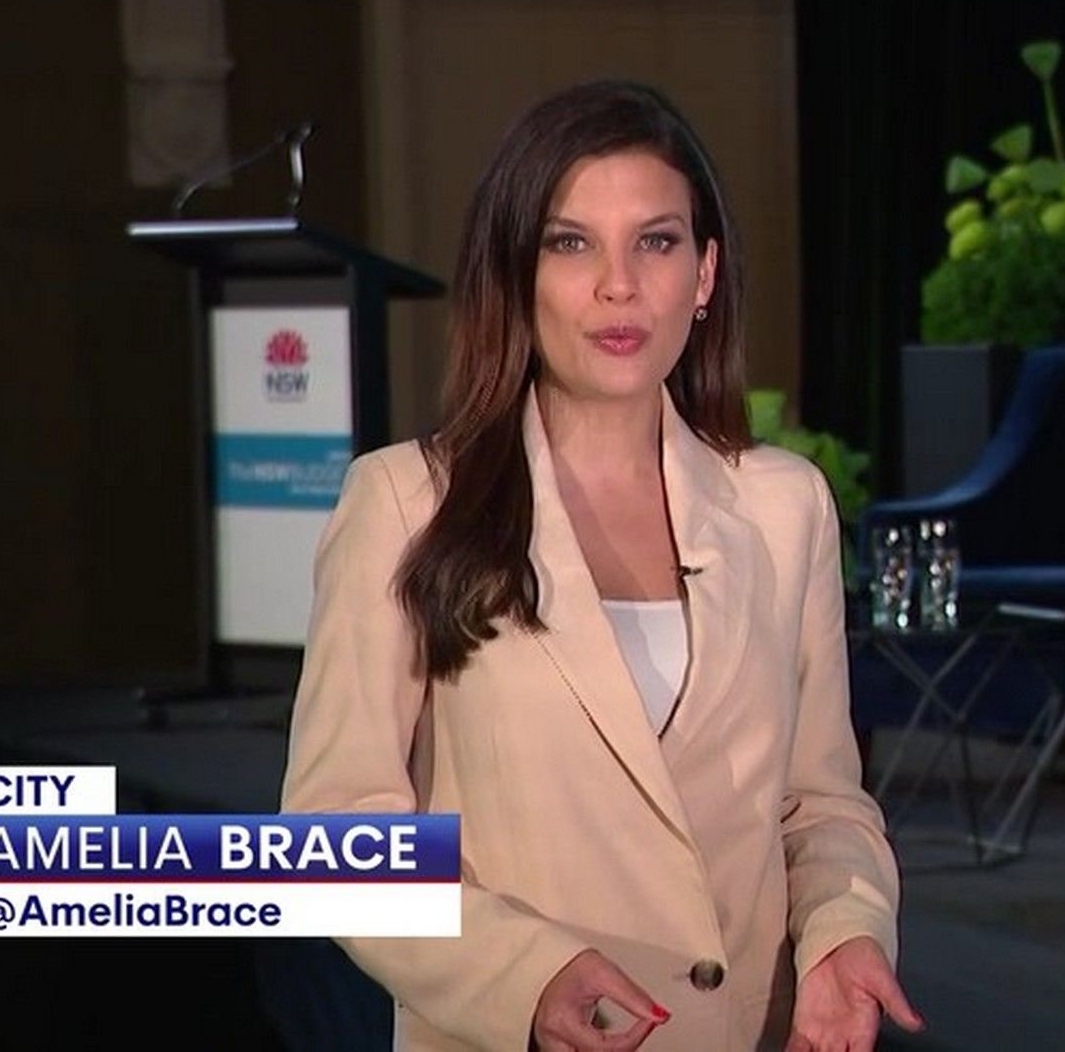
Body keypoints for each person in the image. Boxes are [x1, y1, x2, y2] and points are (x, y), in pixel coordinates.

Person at [280, 79, 922, 1052]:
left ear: (705, 275)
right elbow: (334, 835)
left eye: (656, 243)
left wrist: (845, 928)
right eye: (571, 243)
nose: (619, 286)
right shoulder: (405, 504)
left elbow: (821, 803)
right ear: (517, 273)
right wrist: (522, 977)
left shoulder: (785, 508)